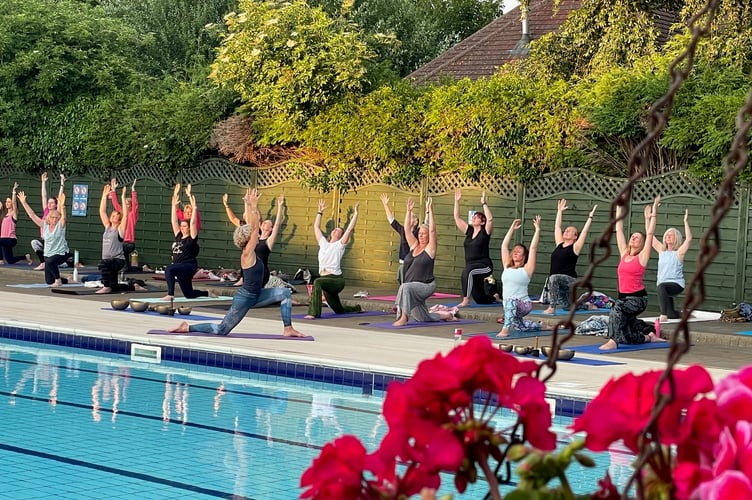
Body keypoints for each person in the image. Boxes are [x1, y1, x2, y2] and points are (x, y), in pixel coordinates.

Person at [169, 189, 305, 337]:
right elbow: (253, 228)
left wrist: (251, 206)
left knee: (285, 293)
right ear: (248, 239)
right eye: (253, 234)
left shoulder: (252, 249)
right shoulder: (247, 253)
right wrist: (253, 206)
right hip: (245, 298)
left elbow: (253, 227)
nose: (257, 233)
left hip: (257, 294)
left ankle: (288, 328)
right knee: (222, 329)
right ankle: (188, 327)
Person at [600, 198, 665, 350]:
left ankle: (613, 341)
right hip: (624, 299)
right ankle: (649, 336)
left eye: (637, 237)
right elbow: (619, 229)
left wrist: (652, 215)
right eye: (632, 236)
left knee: (617, 306)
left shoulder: (642, 257)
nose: (633, 238)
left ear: (642, 244)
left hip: (638, 299)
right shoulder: (624, 253)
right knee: (627, 336)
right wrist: (618, 208)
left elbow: (650, 234)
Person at [393, 198, 456, 326]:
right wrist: (408, 211)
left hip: (426, 286)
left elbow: (433, 230)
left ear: (428, 236)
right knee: (423, 318)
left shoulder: (430, 249)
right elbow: (406, 230)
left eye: (424, 234)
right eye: (420, 233)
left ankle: (403, 317)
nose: (421, 235)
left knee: (404, 286)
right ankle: (446, 315)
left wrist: (430, 210)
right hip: (412, 288)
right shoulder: (414, 246)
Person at [304, 199, 362, 319]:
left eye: (339, 231)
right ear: (331, 233)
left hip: (336, 280)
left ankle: (313, 312)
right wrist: (319, 212)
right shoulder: (323, 243)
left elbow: (350, 230)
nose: (337, 230)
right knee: (339, 310)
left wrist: (355, 214)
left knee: (317, 282)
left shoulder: (340, 245)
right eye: (335, 229)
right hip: (325, 280)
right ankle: (356, 308)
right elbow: (316, 227)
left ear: (341, 235)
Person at [542, 199, 598, 314]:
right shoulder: (559, 244)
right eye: (566, 230)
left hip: (570, 280)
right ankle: (586, 305)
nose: (566, 231)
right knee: (567, 307)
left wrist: (590, 218)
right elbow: (557, 227)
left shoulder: (575, 247)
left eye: (570, 231)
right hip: (558, 283)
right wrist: (559, 211)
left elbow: (585, 232)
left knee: (553, 278)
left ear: (575, 236)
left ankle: (551, 307)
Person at [223, 192, 286, 288]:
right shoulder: (255, 238)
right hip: (251, 271)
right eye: (264, 222)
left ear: (271, 229)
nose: (264, 223)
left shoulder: (268, 241)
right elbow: (249, 222)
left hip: (262, 273)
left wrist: (280, 207)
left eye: (267, 223)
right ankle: (242, 279)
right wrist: (247, 204)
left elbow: (277, 225)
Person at [497, 217, 546, 338]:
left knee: (511, 301)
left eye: (518, 252)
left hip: (523, 304)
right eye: (514, 251)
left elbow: (533, 248)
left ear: (524, 256)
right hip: (509, 308)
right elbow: (504, 246)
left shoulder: (527, 269)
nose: (515, 253)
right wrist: (511, 229)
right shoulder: (507, 267)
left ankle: (505, 330)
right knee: (521, 327)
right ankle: (541, 325)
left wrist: (537, 230)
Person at [160, 184, 208, 301]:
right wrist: (173, 204)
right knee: (189, 294)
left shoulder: (191, 238)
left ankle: (170, 294)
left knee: (169, 269)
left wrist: (195, 207)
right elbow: (174, 221)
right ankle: (207, 293)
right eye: (181, 226)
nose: (182, 227)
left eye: (184, 226)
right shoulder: (179, 237)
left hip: (188, 266)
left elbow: (192, 224)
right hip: (180, 267)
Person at [453, 189, 498, 307]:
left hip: (484, 266)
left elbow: (490, 219)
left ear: (482, 222)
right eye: (473, 216)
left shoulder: (485, 233)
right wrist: (457, 202)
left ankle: (466, 300)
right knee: (479, 298)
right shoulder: (469, 231)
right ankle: (494, 297)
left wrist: (484, 203)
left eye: (477, 217)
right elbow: (457, 218)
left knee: (467, 271)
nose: (473, 218)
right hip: (472, 267)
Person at [17, 190, 71, 286]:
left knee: (50, 260)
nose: (54, 219)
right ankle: (67, 280)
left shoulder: (60, 226)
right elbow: (32, 215)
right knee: (49, 281)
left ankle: (58, 281)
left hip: (61, 254)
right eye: (53, 217)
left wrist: (62, 206)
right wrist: (24, 202)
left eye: (56, 217)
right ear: (49, 218)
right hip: (49, 254)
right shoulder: (45, 225)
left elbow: (64, 218)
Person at [652, 209, 692, 322]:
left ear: (677, 238)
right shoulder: (661, 250)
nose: (668, 237)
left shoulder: (679, 253)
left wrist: (685, 221)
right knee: (672, 315)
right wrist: (648, 218)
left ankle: (663, 315)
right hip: (663, 287)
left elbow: (689, 239)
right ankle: (682, 313)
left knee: (661, 287)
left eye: (671, 235)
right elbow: (650, 236)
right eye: (667, 235)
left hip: (676, 284)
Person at [95, 184, 132, 294]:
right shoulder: (107, 226)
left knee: (102, 264)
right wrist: (104, 195)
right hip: (109, 261)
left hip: (117, 260)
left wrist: (122, 197)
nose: (113, 216)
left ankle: (106, 287)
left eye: (116, 215)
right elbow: (102, 211)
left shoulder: (120, 229)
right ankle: (134, 286)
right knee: (115, 286)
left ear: (119, 219)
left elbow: (125, 215)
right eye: (113, 214)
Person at [380, 193, 419, 284]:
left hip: (414, 264)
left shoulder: (418, 232)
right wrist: (385, 205)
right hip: (403, 263)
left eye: (411, 216)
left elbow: (427, 224)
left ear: (415, 222)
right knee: (403, 285)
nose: (408, 218)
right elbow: (391, 220)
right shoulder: (402, 230)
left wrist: (428, 209)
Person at [31, 172, 65, 270]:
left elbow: (59, 197)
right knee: (35, 243)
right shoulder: (46, 211)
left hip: (54, 241)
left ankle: (62, 262)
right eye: (48, 203)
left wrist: (62, 184)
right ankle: (43, 263)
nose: (49, 204)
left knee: (53, 259)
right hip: (45, 238)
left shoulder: (57, 212)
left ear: (55, 204)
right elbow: (44, 196)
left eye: (51, 203)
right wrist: (43, 182)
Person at [108, 178, 140, 271]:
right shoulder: (121, 213)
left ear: (130, 206)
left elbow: (135, 204)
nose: (125, 206)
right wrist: (113, 190)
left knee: (119, 249)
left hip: (129, 242)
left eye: (127, 204)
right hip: (122, 241)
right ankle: (127, 267)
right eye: (124, 204)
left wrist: (133, 190)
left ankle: (124, 267)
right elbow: (115, 203)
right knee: (120, 250)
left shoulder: (132, 214)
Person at [0, 183, 32, 265]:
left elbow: (14, 203)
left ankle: (0, 260)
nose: (7, 203)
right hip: (3, 240)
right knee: (10, 260)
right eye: (6, 202)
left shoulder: (14, 214)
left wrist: (13, 192)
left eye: (9, 202)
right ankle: (26, 257)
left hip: (11, 240)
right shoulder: (4, 214)